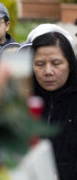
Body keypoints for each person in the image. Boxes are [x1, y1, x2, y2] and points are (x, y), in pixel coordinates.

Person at [32, 32, 77, 180]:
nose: (48, 72)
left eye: (56, 63)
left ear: (70, 64)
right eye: (40, 64)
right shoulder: (23, 101)